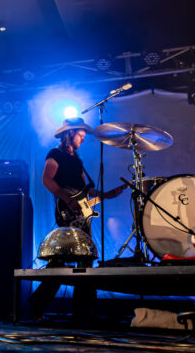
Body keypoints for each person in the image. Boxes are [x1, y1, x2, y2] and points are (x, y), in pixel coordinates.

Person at [29, 117, 125, 318]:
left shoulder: (77, 160)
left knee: (86, 260)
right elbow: (47, 179)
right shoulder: (55, 154)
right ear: (70, 133)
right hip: (67, 212)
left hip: (82, 215)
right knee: (59, 262)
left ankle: (82, 312)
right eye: (80, 135)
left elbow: (84, 192)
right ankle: (36, 305)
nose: (83, 139)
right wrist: (68, 199)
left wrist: (106, 195)